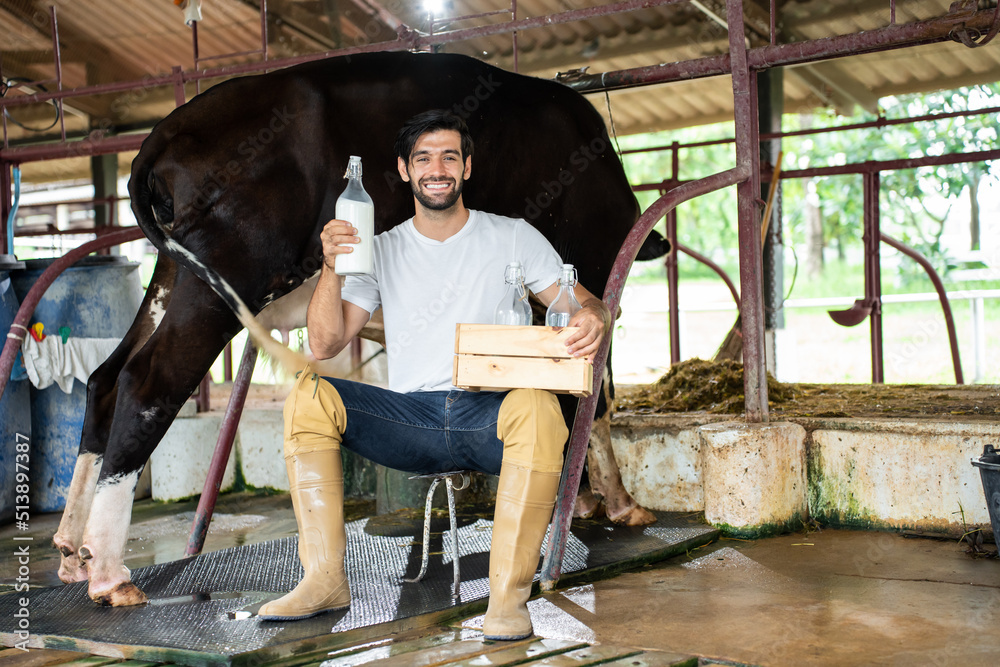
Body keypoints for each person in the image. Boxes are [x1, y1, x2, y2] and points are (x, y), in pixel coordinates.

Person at [257, 109, 611, 640]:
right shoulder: (382, 247)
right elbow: (326, 343)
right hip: (411, 417)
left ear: (467, 167)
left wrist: (594, 317)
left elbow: (584, 304)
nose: (436, 168)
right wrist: (331, 266)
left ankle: (508, 601)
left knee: (538, 406)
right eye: (423, 158)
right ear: (404, 170)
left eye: (449, 156)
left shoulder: (513, 236)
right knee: (310, 398)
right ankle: (325, 579)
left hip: (488, 413)